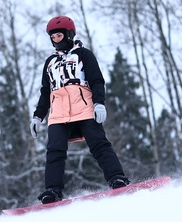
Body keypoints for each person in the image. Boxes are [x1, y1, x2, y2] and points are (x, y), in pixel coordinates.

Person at [30, 15, 130, 204]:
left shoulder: (84, 55)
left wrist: (99, 103)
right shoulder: (49, 62)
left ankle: (117, 178)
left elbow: (97, 80)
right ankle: (52, 191)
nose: (55, 40)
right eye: (52, 37)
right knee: (54, 151)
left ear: (68, 34)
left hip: (84, 108)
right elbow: (45, 91)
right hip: (58, 114)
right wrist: (38, 116)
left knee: (99, 144)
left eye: (58, 36)